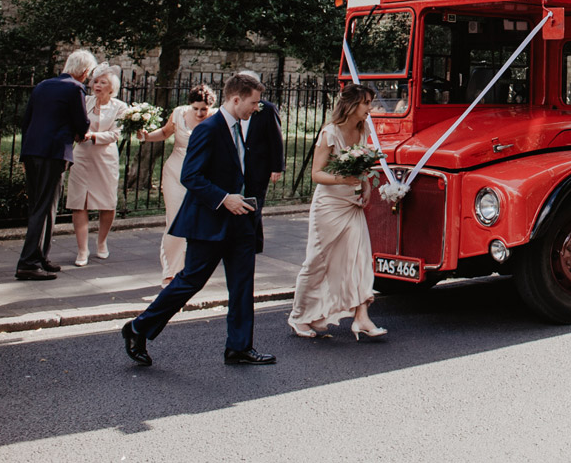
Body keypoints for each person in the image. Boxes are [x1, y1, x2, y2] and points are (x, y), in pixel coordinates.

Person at [122, 72, 274, 367]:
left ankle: (240, 348)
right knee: (190, 281)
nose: (256, 108)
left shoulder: (242, 125)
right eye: (253, 102)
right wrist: (223, 198)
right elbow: (190, 176)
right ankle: (138, 328)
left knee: (243, 284)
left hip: (241, 220)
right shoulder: (210, 128)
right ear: (236, 99)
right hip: (210, 220)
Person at [288, 83, 387, 340]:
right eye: (367, 103)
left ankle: (362, 318)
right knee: (318, 261)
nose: (371, 108)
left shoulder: (362, 128)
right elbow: (317, 174)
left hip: (352, 204)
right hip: (329, 206)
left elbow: (362, 166)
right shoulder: (330, 133)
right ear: (352, 105)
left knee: (360, 258)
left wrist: (365, 186)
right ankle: (300, 316)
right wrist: (343, 181)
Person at [15, 49, 96, 281]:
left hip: (33, 151)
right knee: (45, 206)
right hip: (53, 152)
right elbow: (81, 121)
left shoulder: (42, 86)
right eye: (89, 73)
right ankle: (29, 262)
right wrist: (82, 133)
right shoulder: (75, 88)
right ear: (84, 71)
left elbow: (27, 120)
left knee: (41, 206)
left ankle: (40, 256)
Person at [139, 83, 216, 284]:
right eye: (195, 108)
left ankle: (192, 268)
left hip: (202, 175)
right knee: (175, 219)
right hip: (176, 172)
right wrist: (146, 136)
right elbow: (164, 133)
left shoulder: (217, 119)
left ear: (210, 107)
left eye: (203, 109)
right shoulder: (179, 113)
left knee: (198, 221)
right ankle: (171, 271)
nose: (199, 113)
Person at [66, 64, 127, 266]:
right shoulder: (84, 101)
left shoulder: (120, 107)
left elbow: (116, 134)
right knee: (79, 202)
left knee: (107, 203)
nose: (97, 85)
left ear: (112, 88)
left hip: (105, 158)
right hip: (82, 157)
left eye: (103, 82)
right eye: (96, 81)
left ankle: (102, 242)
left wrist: (93, 135)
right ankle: (82, 250)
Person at [237, 70, 284, 204]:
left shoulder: (267, 109)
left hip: (258, 164)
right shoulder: (235, 108)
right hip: (238, 162)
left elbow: (275, 139)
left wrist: (276, 167)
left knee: (255, 204)